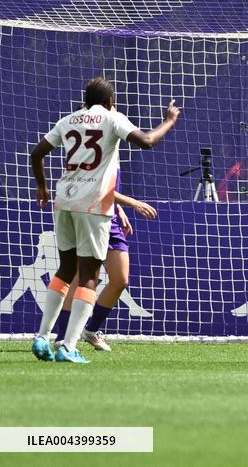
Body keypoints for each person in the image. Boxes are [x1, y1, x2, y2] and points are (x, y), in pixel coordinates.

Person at [30, 77, 179, 364]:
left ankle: (42, 337)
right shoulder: (112, 117)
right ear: (110, 101)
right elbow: (147, 141)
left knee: (66, 269)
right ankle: (68, 346)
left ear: (85, 101)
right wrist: (168, 121)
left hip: (64, 201)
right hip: (93, 204)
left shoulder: (68, 120)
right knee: (89, 276)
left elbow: (37, 153)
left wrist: (42, 187)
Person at [52, 175, 157, 353]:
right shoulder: (92, 157)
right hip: (90, 216)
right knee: (82, 278)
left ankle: (90, 330)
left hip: (111, 219)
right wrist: (133, 203)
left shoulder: (114, 159)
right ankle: (62, 337)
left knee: (120, 280)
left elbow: (108, 187)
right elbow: (96, 187)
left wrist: (118, 208)